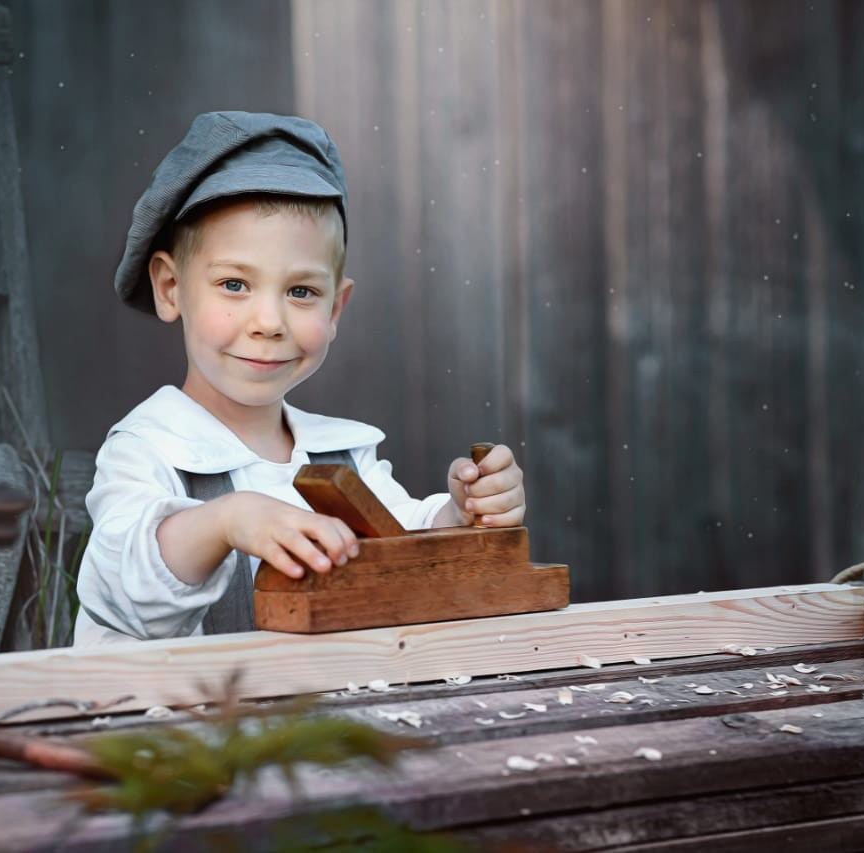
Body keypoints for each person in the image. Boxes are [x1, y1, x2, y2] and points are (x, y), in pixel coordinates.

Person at [72, 111, 525, 645]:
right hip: (175, 723)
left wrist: (462, 512)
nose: (269, 323)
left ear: (337, 307)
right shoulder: (147, 449)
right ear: (171, 288)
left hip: (311, 722)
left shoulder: (342, 451)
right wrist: (227, 522)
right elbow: (127, 594)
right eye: (235, 284)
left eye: (302, 292)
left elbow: (397, 554)